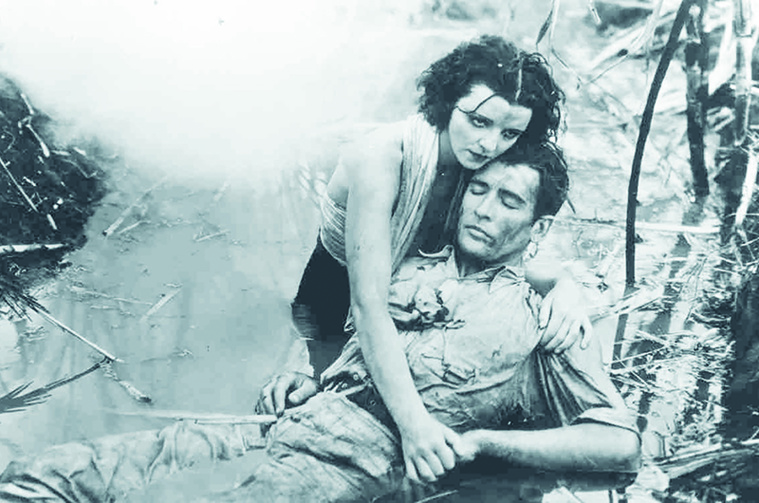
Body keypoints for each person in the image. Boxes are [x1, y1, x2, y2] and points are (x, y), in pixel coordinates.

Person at [0, 142, 640, 502]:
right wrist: (304, 372)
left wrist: (482, 444)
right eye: (480, 189)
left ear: (538, 227)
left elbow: (620, 447)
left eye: (509, 201)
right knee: (52, 476)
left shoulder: (543, 320)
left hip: (354, 462)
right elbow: (323, 323)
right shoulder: (407, 263)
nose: (484, 209)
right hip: (278, 426)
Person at [291, 35, 592, 482]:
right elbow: (367, 306)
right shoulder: (381, 158)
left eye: (509, 133)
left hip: (410, 295)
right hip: (331, 304)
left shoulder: (478, 167)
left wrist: (566, 286)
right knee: (316, 417)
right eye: (478, 121)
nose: (489, 144)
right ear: (448, 101)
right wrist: (415, 428)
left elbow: (501, 259)